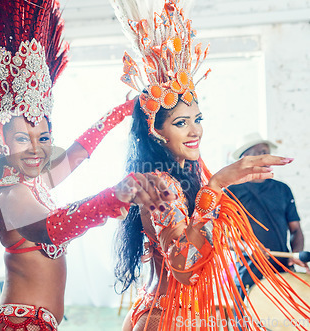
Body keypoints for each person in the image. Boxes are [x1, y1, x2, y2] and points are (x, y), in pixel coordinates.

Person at [0, 1, 176, 330]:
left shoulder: (35, 182)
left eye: (44, 136)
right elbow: (51, 227)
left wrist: (121, 112)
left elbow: (77, 155)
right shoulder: (9, 191)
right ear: (2, 139)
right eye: (23, 138)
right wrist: (116, 196)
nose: (37, 148)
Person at [110, 0, 310, 330]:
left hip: (197, 315)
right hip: (169, 319)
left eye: (197, 119)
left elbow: (205, 244)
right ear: (157, 131)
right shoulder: (161, 184)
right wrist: (216, 185)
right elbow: (184, 268)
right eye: (181, 123)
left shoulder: (186, 175)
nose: (195, 130)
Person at [229, 133, 309, 299]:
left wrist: (296, 254)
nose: (264, 157)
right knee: (246, 324)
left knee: (281, 324)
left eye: (265, 152)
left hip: (282, 272)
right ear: (245, 158)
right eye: (258, 152)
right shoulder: (230, 192)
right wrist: (249, 247)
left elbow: (296, 230)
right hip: (247, 275)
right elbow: (224, 237)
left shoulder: (283, 189)